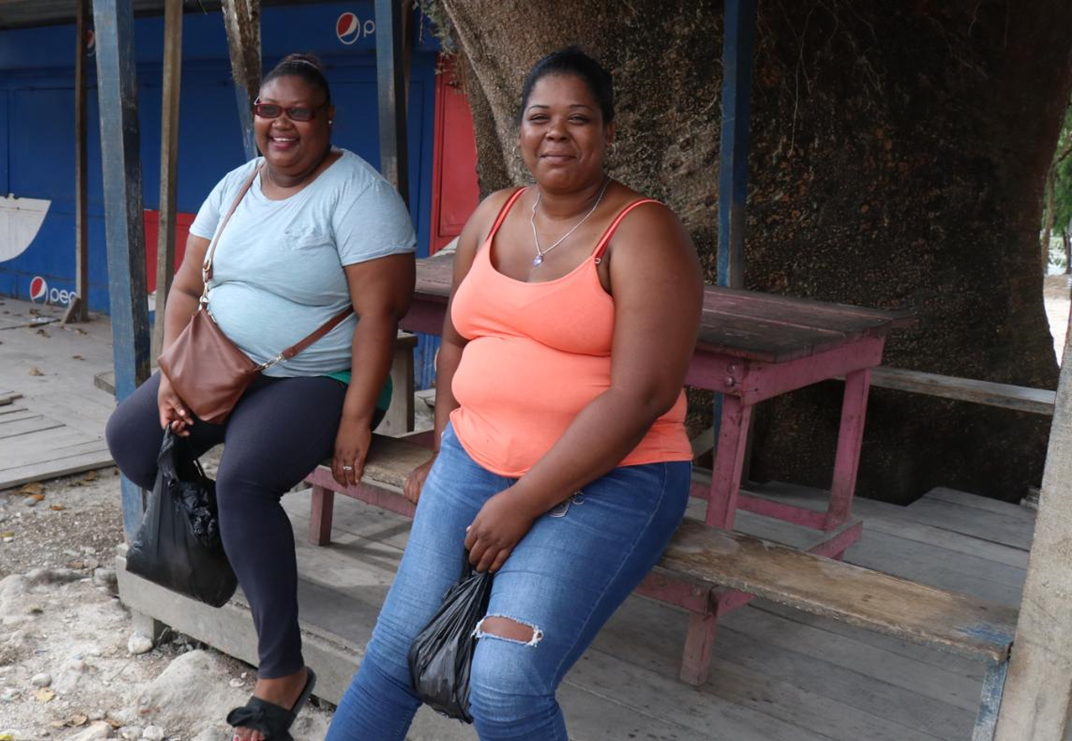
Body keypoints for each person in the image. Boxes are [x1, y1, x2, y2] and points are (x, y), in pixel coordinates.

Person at [327, 47, 704, 741]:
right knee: (392, 655)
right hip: (476, 460)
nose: (556, 132)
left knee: (503, 683)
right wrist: (446, 443)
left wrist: (523, 501)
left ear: (610, 133)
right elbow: (458, 339)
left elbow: (642, 393)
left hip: (614, 477)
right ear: (520, 131)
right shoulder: (493, 215)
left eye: (579, 118)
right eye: (540, 117)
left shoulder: (644, 232)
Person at [105, 53, 416, 741]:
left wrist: (358, 417)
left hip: (316, 378)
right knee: (131, 435)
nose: (281, 123)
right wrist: (173, 372)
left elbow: (379, 317)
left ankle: (282, 667)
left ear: (328, 119)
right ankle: (234, 547)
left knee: (243, 481)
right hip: (217, 363)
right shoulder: (236, 186)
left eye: (298, 110)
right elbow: (186, 287)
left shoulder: (358, 195)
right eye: (268, 109)